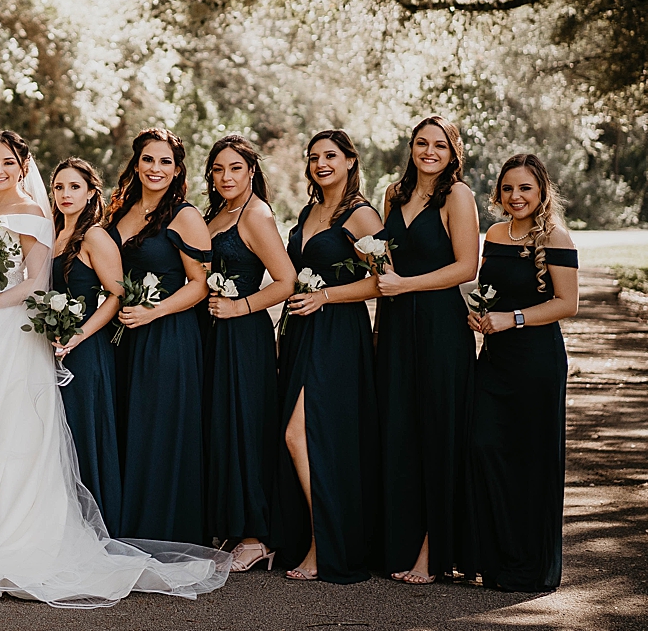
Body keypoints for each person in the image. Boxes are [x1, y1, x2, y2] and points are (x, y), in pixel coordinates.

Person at [0, 130, 230, 606]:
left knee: (2, 425)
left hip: (8, 330)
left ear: (22, 165)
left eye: (9, 161)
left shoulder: (36, 216)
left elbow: (36, 282)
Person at [274, 129, 383, 583]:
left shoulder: (362, 216)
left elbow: (384, 283)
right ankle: (317, 538)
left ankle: (326, 546)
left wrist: (327, 298)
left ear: (350, 161)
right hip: (301, 329)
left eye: (331, 156)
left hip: (338, 332)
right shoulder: (309, 211)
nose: (322, 164)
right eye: (315, 157)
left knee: (301, 435)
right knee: (307, 437)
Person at [466, 154, 578, 592]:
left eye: (525, 188)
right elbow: (486, 289)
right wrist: (479, 314)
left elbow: (566, 303)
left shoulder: (556, 236)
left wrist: (510, 318)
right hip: (494, 360)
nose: (516, 197)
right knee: (484, 446)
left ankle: (529, 567)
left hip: (536, 362)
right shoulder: (494, 233)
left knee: (530, 460)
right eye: (508, 188)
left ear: (542, 191)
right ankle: (496, 559)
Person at [376, 115, 479, 584]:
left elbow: (466, 267)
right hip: (396, 327)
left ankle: (433, 552)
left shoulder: (458, 196)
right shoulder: (393, 196)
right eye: (422, 143)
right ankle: (398, 540)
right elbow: (388, 263)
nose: (430, 151)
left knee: (439, 432)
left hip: (440, 328)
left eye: (440, 145)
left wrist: (405, 284)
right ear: (411, 146)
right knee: (401, 431)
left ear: (453, 152)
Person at [103, 128, 211, 544]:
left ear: (177, 169)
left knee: (160, 429)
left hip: (168, 336)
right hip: (123, 336)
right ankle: (125, 528)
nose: (156, 168)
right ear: (136, 163)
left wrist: (155, 310)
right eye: (148, 159)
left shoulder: (184, 216)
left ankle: (162, 532)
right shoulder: (119, 211)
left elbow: (199, 284)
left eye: (165, 161)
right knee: (128, 427)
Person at [201, 135, 296, 570]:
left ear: (251, 171)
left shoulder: (256, 214)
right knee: (223, 426)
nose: (226, 177)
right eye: (218, 169)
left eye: (235, 168)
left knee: (246, 426)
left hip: (244, 335)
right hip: (215, 335)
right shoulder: (219, 212)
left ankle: (258, 537)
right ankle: (236, 526)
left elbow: (285, 280)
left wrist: (238, 307)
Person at [48, 157, 126, 536]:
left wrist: (78, 335)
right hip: (51, 349)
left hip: (87, 350)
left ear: (92, 192)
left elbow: (116, 295)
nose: (66, 194)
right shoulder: (51, 233)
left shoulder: (95, 236)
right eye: (59, 187)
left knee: (82, 435)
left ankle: (94, 528)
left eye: (74, 187)